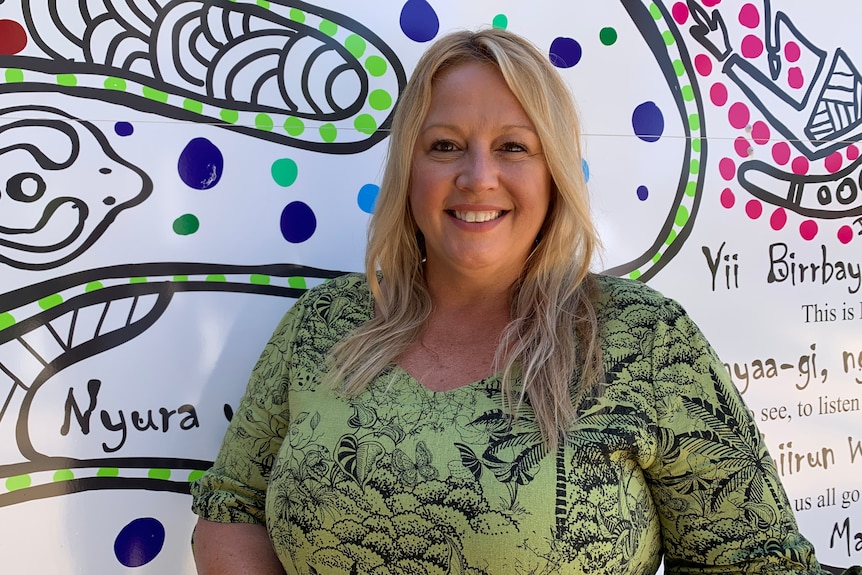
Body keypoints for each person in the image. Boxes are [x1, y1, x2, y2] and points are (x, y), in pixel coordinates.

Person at [190, 28, 837, 574]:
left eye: (513, 147)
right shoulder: (325, 324)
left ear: (553, 171)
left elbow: (756, 559)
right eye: (444, 145)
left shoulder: (644, 339)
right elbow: (233, 507)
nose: (477, 177)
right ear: (406, 170)